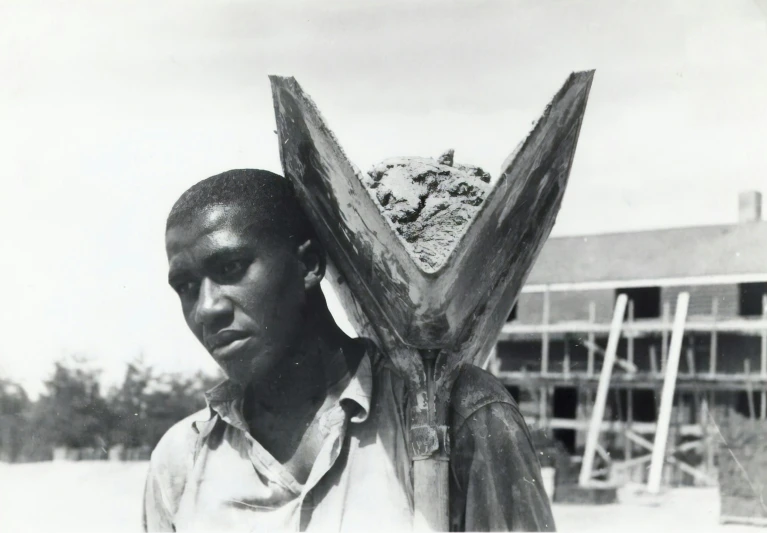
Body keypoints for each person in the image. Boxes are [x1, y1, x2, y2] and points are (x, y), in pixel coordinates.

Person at [143, 169, 555, 532]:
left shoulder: (459, 413)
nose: (206, 308)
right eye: (186, 287)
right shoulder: (182, 459)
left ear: (309, 265)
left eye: (231, 268)